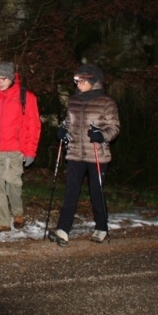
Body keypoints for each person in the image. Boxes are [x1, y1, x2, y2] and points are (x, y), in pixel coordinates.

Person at [48, 64, 120, 247]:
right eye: (76, 80)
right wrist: (63, 132)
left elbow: (114, 127)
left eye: (81, 80)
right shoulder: (73, 101)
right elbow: (68, 123)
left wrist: (102, 135)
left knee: (96, 192)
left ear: (93, 81)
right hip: (75, 154)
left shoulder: (106, 102)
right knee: (71, 192)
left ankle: (101, 227)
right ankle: (63, 229)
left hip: (96, 154)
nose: (77, 83)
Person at [0, 61, 41, 233]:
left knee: (13, 184)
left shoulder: (26, 97)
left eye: (3, 79)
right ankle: (3, 221)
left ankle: (18, 212)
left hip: (15, 150)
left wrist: (30, 151)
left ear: (12, 78)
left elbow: (33, 126)